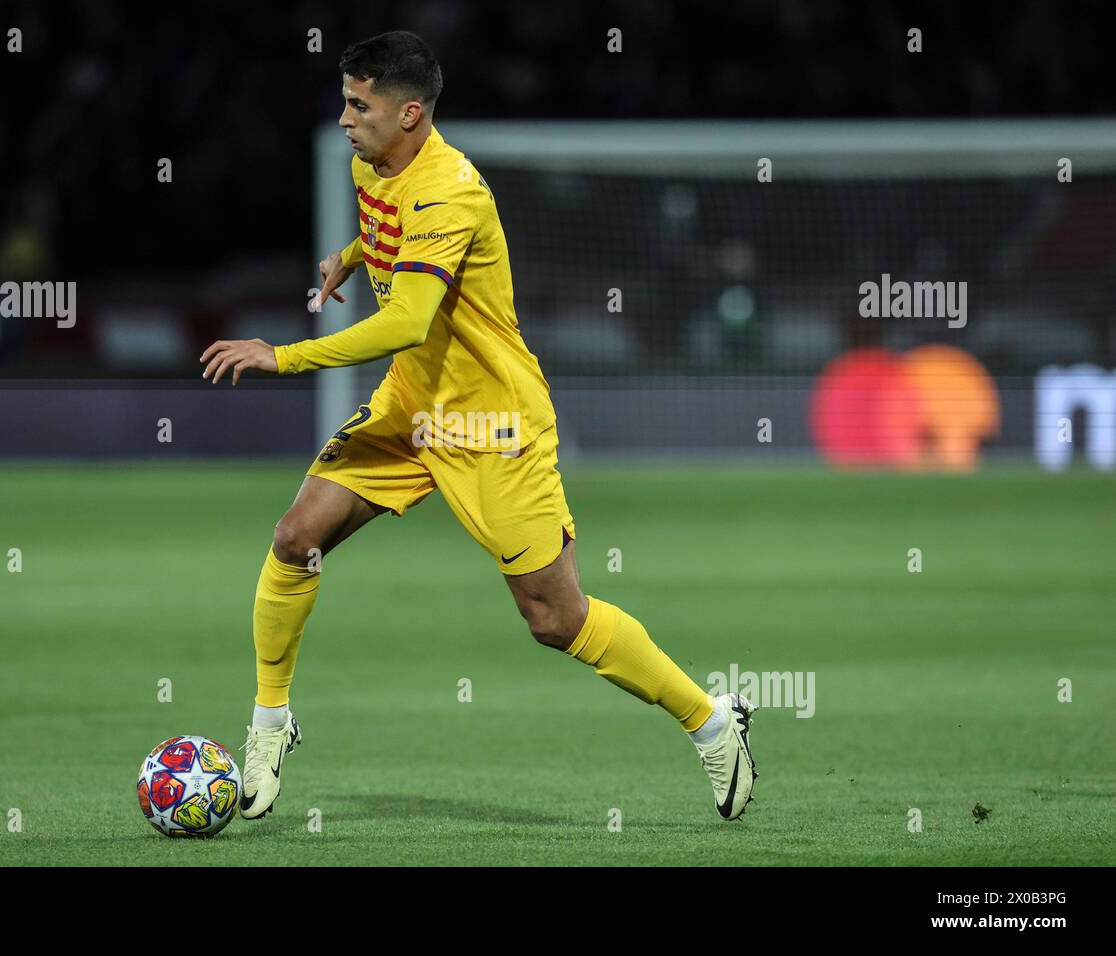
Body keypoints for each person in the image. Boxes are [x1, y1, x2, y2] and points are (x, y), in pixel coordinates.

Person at [200, 31, 758, 823]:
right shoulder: (374, 163)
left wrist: (280, 356)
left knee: (554, 618)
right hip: (410, 406)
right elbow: (393, 234)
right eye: (346, 99)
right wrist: (354, 254)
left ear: (411, 113)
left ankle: (711, 722)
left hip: (493, 424)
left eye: (360, 104)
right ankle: (269, 721)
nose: (345, 118)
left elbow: (407, 320)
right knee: (297, 537)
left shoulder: (452, 190)